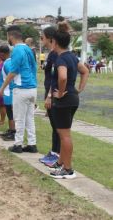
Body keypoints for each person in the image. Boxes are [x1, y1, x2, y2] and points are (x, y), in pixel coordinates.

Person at [49, 22, 89, 179]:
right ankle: (61, 163)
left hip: (64, 100)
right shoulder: (72, 56)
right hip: (72, 98)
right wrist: (79, 88)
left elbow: (63, 77)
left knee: (65, 135)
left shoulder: (61, 59)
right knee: (63, 133)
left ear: (55, 42)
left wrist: (59, 93)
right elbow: (85, 71)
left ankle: (68, 169)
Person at [0, 25, 38, 153]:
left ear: (11, 36)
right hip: (32, 88)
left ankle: (18, 144)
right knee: (29, 118)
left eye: (7, 37)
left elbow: (13, 71)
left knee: (19, 118)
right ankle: (32, 144)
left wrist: (2, 87)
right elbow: (34, 68)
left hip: (21, 88)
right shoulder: (28, 49)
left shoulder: (16, 50)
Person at [37, 26, 61, 166]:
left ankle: (56, 154)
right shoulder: (51, 54)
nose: (41, 40)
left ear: (50, 38)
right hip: (49, 91)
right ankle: (53, 152)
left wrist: (50, 95)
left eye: (42, 37)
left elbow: (56, 76)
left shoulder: (55, 54)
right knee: (54, 125)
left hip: (53, 93)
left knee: (57, 126)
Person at [0, 45, 16, 141]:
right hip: (7, 91)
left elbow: (12, 76)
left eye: (0, 55)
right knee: (9, 112)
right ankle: (11, 130)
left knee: (11, 112)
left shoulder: (8, 63)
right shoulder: (7, 62)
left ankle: (13, 132)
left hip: (10, 91)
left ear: (2, 54)